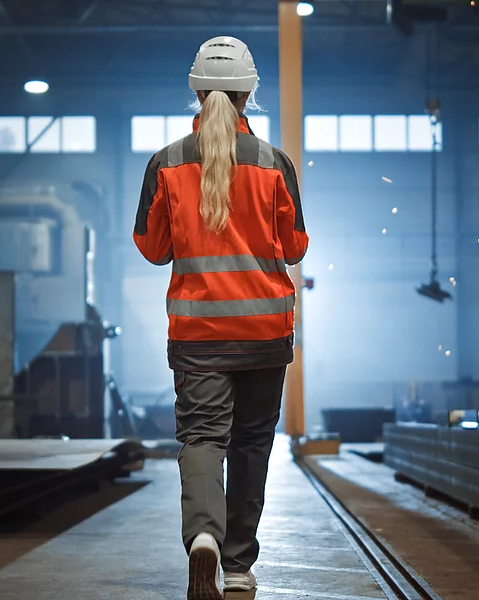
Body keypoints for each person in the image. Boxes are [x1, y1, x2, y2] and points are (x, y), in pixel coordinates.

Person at [133, 36, 309, 599]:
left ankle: (203, 538)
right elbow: (296, 245)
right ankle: (236, 564)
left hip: (198, 332)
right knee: (252, 442)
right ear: (249, 92)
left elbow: (152, 247)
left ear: (197, 90)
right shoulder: (273, 163)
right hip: (263, 332)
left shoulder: (166, 163)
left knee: (203, 438)